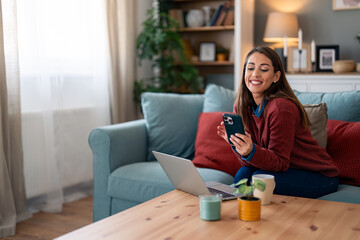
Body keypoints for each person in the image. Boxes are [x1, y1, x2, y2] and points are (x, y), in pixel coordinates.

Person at [217, 46, 339, 198]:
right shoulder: (241, 105)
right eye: (250, 68)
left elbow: (280, 163)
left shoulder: (282, 108)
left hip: (319, 175)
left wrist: (251, 151)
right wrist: (238, 146)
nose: (255, 74)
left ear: (276, 76)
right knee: (243, 175)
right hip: (282, 169)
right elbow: (250, 163)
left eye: (264, 69)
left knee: (259, 181)